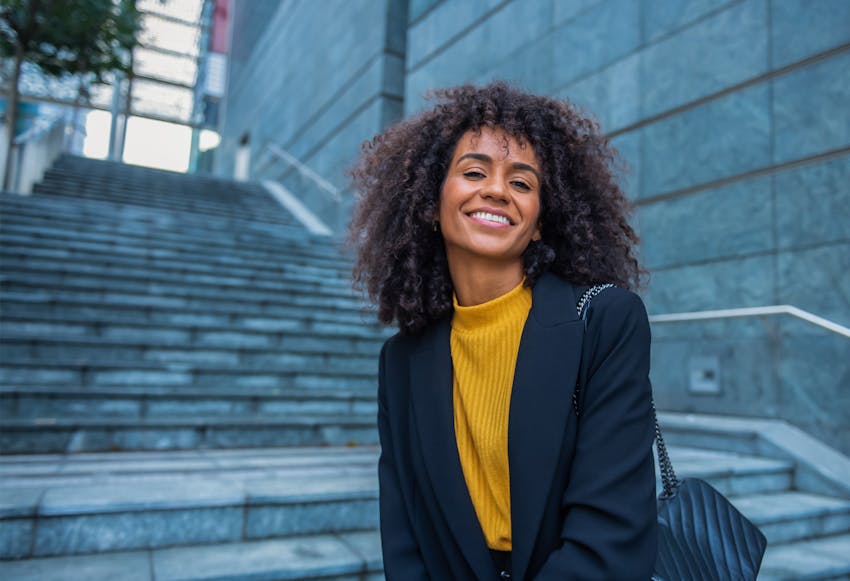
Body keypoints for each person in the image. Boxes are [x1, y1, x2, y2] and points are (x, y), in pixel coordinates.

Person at [349, 82, 657, 580]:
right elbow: (405, 540)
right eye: (473, 172)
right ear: (430, 204)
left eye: (522, 183)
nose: (496, 190)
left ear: (538, 222)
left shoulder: (604, 322)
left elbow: (611, 537)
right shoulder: (402, 362)